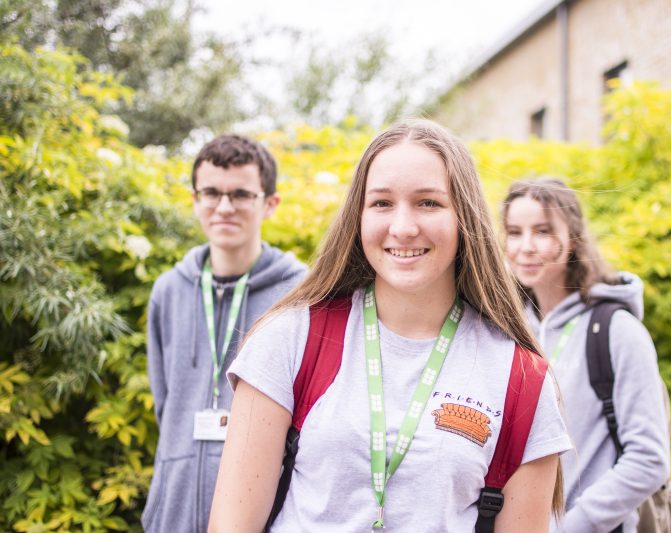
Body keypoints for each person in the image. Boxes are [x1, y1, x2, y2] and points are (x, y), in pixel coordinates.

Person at [208, 119, 572, 532]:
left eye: (428, 203)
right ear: (358, 217)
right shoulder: (288, 340)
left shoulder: (522, 380)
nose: (402, 227)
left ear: (464, 217)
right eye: (381, 203)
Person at [142, 134, 307, 532]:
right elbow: (166, 404)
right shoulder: (168, 290)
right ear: (195, 199)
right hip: (173, 512)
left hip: (258, 515)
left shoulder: (299, 295)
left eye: (241, 195)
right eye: (212, 193)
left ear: (270, 203)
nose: (225, 207)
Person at [502, 178, 671, 532]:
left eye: (543, 231)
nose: (526, 247)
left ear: (574, 240)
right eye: (514, 232)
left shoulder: (618, 331)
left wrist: (570, 527)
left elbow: (649, 461)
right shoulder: (508, 330)